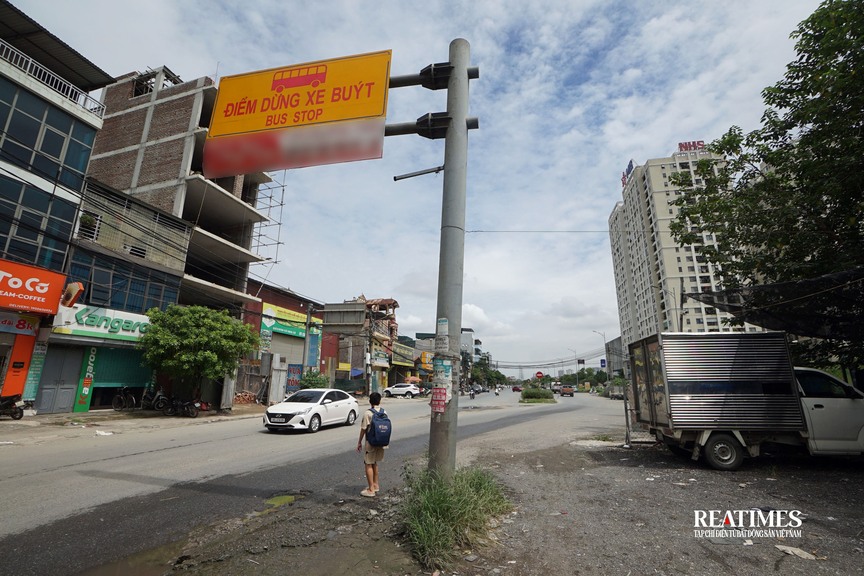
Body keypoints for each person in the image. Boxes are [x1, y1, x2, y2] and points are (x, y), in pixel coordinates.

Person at [357, 391, 385, 497]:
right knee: (375, 463)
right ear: (380, 401)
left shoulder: (368, 413)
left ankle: (371, 490)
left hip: (371, 442)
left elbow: (363, 429)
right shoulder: (384, 412)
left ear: (369, 401)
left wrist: (359, 442)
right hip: (381, 441)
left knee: (368, 463)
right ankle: (375, 485)